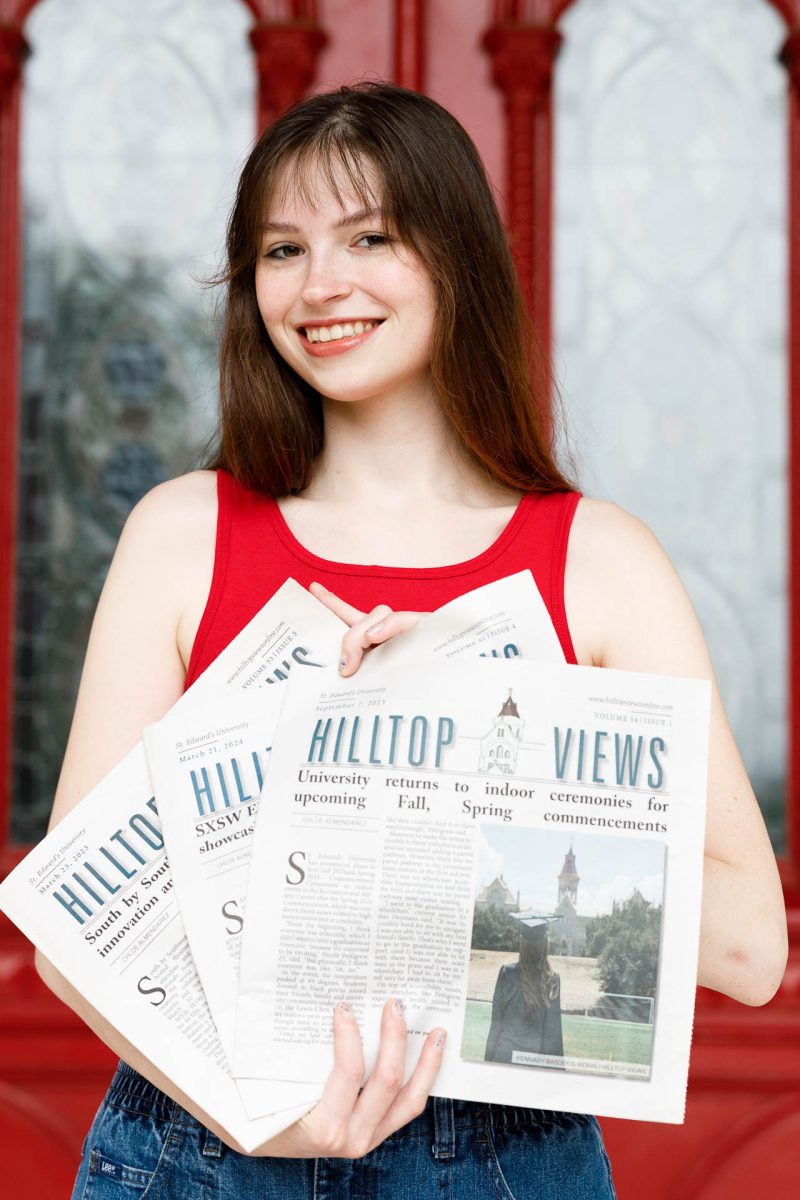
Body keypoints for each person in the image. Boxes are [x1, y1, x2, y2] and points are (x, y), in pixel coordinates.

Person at [34, 81, 786, 1199]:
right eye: (282, 249)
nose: (319, 284)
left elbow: (749, 955)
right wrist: (256, 1117)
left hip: (495, 1157)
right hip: (200, 1146)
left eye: (369, 236)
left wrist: (477, 737)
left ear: (455, 258)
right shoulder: (183, 534)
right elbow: (68, 936)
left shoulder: (599, 562)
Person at [484, 915, 565, 1065]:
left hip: (502, 1059)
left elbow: (496, 1025)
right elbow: (553, 1037)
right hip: (530, 1064)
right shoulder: (552, 980)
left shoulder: (506, 974)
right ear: (545, 944)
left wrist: (487, 1061)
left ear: (522, 944)